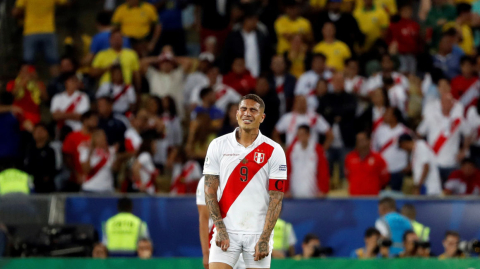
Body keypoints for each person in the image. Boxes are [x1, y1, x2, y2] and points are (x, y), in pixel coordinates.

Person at [203, 94, 287, 268]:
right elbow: (210, 191)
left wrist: (265, 238)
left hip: (257, 233)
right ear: (236, 114)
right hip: (226, 229)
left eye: (253, 110)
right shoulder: (218, 145)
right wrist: (220, 228)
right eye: (243, 109)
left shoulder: (274, 150)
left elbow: (276, 198)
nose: (247, 113)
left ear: (262, 117)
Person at [417, 91, 470, 185]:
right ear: (440, 103)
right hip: (433, 164)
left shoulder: (458, 119)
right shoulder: (430, 117)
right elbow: (419, 134)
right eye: (445, 101)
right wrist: (423, 152)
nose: (447, 104)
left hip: (452, 164)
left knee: (451, 194)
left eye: (450, 102)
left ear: (453, 104)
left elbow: (468, 134)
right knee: (434, 194)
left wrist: (464, 150)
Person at [317, 72, 357, 181]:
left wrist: (331, 112)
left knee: (345, 174)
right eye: (336, 81)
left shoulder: (350, 97)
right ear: (332, 83)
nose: (338, 83)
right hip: (328, 143)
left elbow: (351, 111)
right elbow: (321, 114)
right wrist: (340, 113)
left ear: (344, 82)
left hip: (346, 141)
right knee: (325, 172)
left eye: (341, 81)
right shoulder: (326, 98)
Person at [12, 0, 66, 76]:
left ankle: (26, 86)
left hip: (30, 32)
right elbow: (66, 2)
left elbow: (16, 12)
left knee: (27, 63)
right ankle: (58, 85)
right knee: (53, 62)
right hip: (48, 31)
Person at [221, 10, 272, 77]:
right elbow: (226, 56)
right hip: (238, 76)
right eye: (253, 20)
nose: (256, 22)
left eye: (256, 20)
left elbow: (267, 55)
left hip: (258, 75)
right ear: (246, 20)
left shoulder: (261, 36)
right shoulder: (234, 37)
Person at [372, 107, 410, 192]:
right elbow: (374, 148)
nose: (384, 116)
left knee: (396, 196)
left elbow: (413, 148)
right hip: (383, 170)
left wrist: (410, 165)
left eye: (387, 114)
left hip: (398, 169)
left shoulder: (405, 131)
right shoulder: (379, 130)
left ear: (394, 117)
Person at [286, 125, 329, 198]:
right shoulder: (292, 150)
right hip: (294, 194)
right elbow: (286, 170)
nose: (300, 136)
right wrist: (285, 190)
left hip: (313, 195)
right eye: (298, 134)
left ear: (308, 135)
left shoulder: (317, 150)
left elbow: (323, 170)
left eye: (303, 134)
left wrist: (323, 190)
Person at [142, 51, 189, 118]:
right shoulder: (153, 74)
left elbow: (187, 62)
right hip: (157, 115)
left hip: (175, 114)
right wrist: (158, 58)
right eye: (163, 62)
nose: (166, 65)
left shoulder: (178, 74)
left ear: (173, 64)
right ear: (159, 64)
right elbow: (143, 62)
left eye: (168, 62)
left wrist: (173, 58)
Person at [62, 111, 98, 192]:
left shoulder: (98, 137)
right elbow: (67, 158)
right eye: (93, 119)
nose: (96, 121)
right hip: (75, 179)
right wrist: (76, 173)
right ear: (85, 120)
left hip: (94, 179)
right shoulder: (72, 137)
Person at [345, 131, 390, 196]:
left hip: (372, 196)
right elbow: (348, 175)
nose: (359, 143)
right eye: (357, 140)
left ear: (369, 141)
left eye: (362, 140)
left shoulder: (378, 158)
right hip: (354, 196)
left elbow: (385, 178)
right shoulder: (349, 158)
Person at [6, 65, 46, 132]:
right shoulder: (12, 83)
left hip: (35, 115)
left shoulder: (38, 83)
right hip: (19, 116)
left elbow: (45, 97)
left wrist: (36, 81)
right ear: (19, 72)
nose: (27, 73)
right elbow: (13, 94)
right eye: (24, 71)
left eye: (28, 71)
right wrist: (23, 81)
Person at [386, 3, 421, 74]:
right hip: (400, 54)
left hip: (412, 55)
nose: (407, 12)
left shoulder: (415, 25)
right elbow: (389, 39)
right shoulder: (395, 25)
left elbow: (418, 41)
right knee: (403, 71)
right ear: (400, 12)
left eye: (408, 10)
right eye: (404, 10)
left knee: (412, 73)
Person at [24, 123, 57, 193]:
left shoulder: (51, 150)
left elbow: (53, 168)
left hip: (47, 186)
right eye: (37, 131)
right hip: (31, 183)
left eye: (42, 131)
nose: (39, 133)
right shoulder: (28, 150)